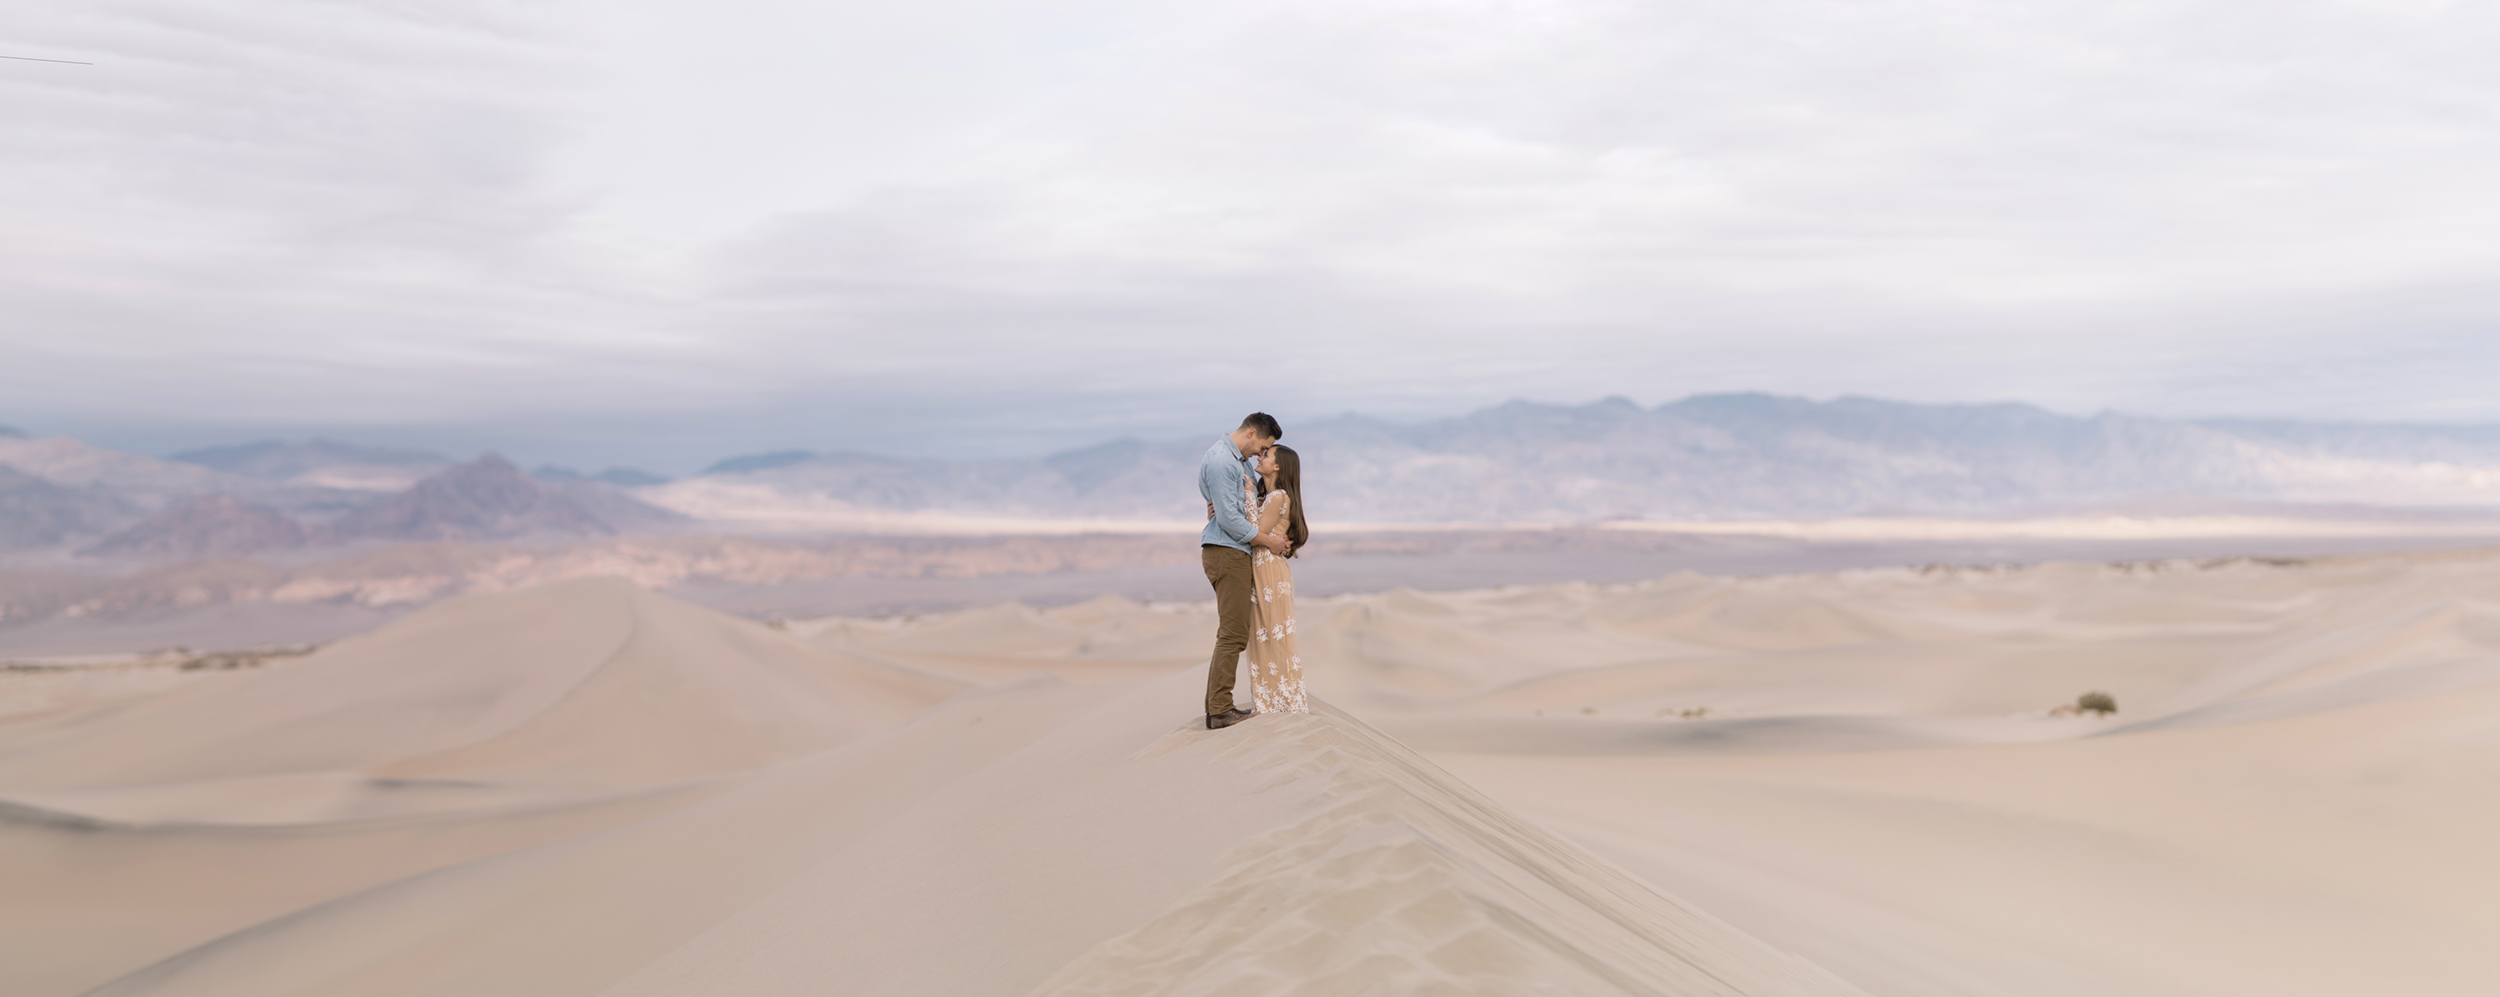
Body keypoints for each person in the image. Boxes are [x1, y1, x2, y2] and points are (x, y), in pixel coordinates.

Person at [1199, 412, 1290, 730]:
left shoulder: (1232, 461)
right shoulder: (1224, 461)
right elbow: (1231, 521)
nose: (1261, 455)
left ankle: (1218, 707)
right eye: (1262, 447)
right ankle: (1220, 710)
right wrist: (1271, 542)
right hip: (1227, 553)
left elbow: (1224, 507)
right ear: (1251, 433)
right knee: (1233, 634)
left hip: (1230, 551)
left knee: (1234, 632)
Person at [1244, 443, 1309, 713]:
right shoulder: (1268, 497)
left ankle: (1281, 702)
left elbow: (1254, 530)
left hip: (1268, 570)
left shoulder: (1278, 496)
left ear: (1278, 466)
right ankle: (1271, 700)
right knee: (1263, 635)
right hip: (1263, 569)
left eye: (1266, 454)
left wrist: (1248, 494)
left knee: (1273, 635)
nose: (1260, 456)